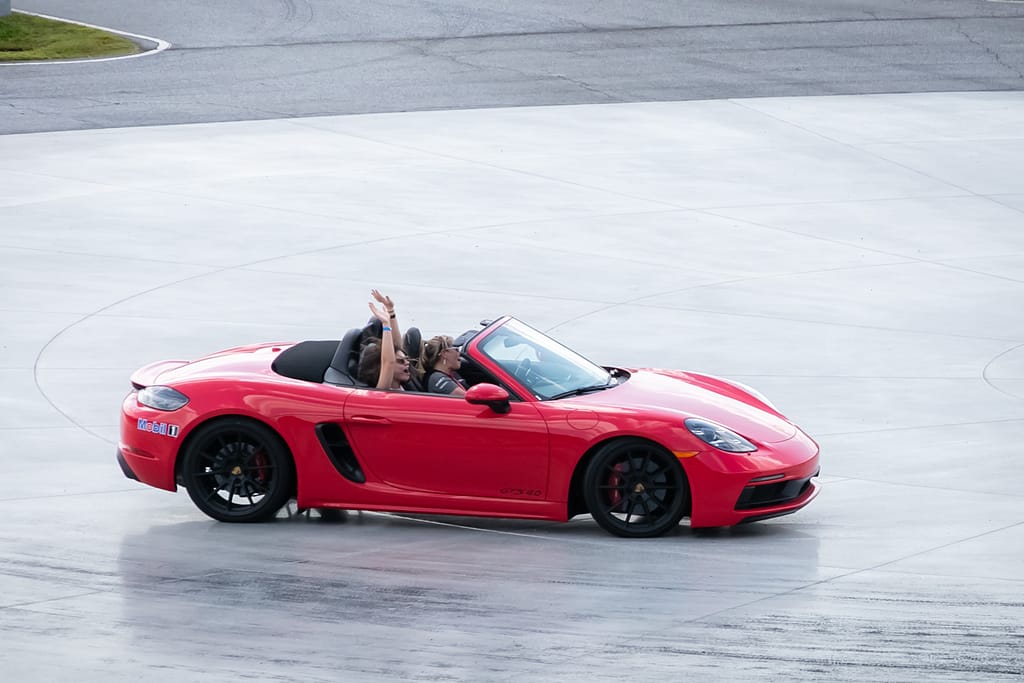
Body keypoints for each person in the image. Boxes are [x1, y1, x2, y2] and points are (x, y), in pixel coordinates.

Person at [356, 290, 412, 390]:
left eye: (406, 360)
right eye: (401, 361)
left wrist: (391, 310)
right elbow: (388, 362)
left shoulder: (403, 385)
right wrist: (386, 324)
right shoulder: (383, 389)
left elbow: (396, 345)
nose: (407, 363)